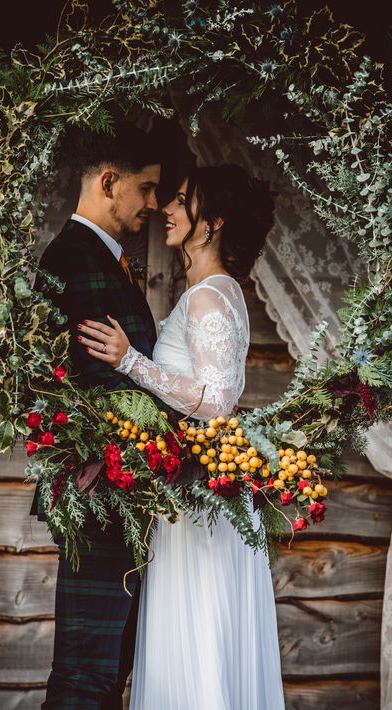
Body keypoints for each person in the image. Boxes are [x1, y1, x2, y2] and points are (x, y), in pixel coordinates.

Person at [77, 164, 286, 710]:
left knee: (196, 647)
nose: (166, 208)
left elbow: (216, 402)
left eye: (182, 201)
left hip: (199, 506)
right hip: (192, 494)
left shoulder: (210, 297)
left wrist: (131, 362)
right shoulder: (210, 292)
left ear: (211, 224)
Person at [30, 123, 165, 709]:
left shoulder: (102, 260)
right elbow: (94, 388)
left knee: (105, 673)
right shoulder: (76, 260)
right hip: (102, 491)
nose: (155, 205)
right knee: (87, 673)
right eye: (147, 189)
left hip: (119, 494)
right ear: (109, 183)